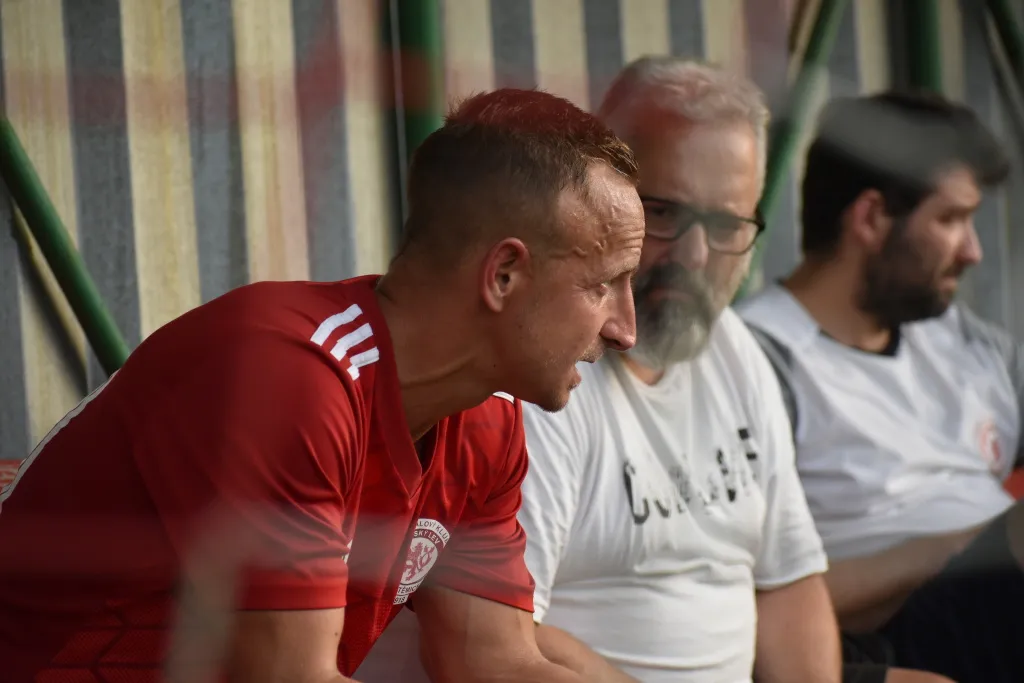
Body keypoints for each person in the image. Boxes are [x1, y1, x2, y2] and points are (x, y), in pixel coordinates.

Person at [0, 88, 646, 683]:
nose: (626, 328)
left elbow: (496, 662)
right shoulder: (286, 374)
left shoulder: (486, 421)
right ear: (503, 274)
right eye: (602, 284)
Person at [354, 59, 945, 683]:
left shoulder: (734, 348)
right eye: (662, 212)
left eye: (726, 225)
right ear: (597, 196)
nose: (694, 255)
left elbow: (789, 583)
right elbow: (499, 646)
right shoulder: (532, 372)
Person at [738, 90, 1024, 682]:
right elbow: (746, 601)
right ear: (870, 218)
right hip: (899, 631)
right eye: (951, 220)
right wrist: (957, 546)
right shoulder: (760, 359)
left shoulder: (962, 338)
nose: (974, 252)